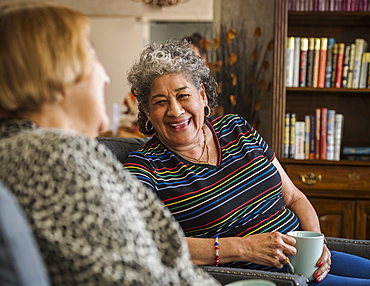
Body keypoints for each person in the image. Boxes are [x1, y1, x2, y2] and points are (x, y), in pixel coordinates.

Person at [0, 3, 220, 286]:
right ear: (58, 73)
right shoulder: (53, 157)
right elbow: (138, 279)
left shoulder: (22, 151)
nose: (105, 79)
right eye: (93, 56)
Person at [124, 38, 370, 285]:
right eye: (160, 102)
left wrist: (317, 244)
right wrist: (240, 248)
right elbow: (144, 243)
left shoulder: (236, 127)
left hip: (306, 259)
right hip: (258, 276)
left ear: (202, 97)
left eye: (183, 95)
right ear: (146, 111)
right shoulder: (144, 167)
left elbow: (294, 197)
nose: (175, 110)